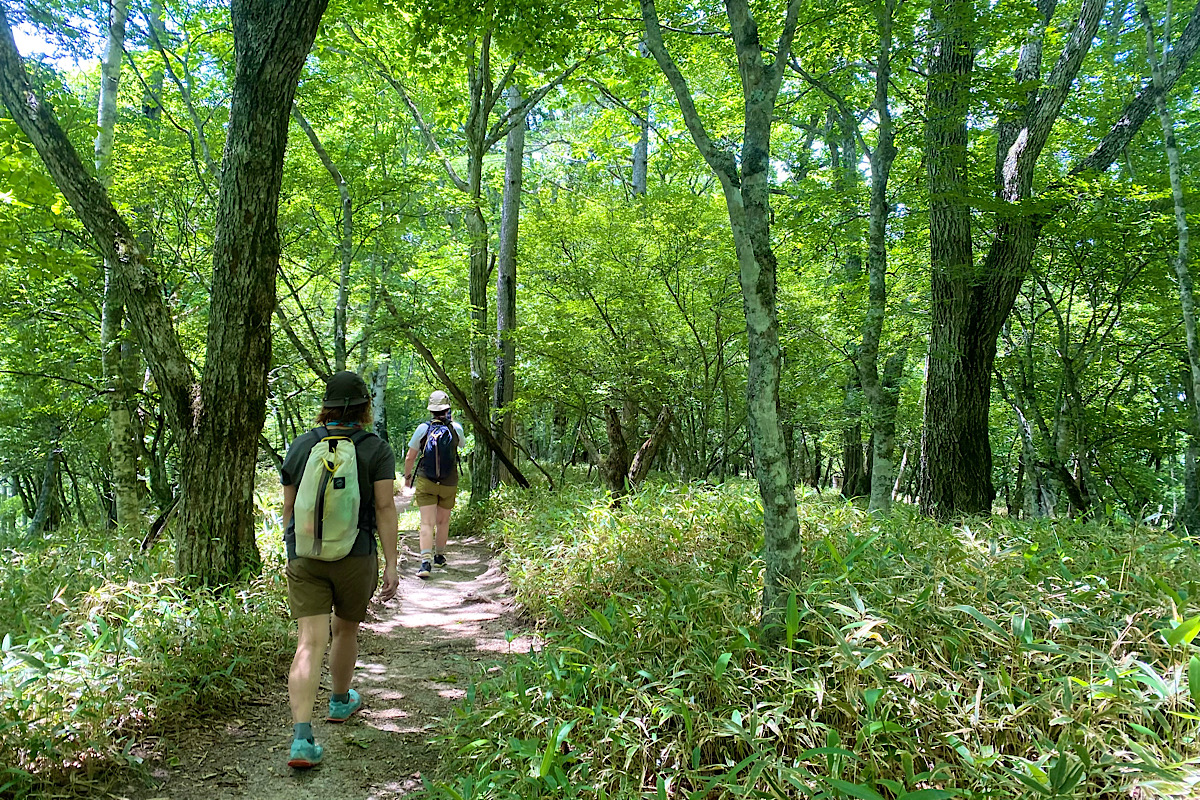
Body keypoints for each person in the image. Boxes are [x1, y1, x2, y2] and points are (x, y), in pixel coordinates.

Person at [278, 371, 399, 769]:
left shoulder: (300, 446)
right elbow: (384, 508)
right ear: (365, 407)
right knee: (345, 628)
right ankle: (340, 700)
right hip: (355, 554)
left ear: (326, 406)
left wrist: (292, 549)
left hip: (306, 557)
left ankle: (301, 739)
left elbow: (288, 507)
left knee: (308, 641)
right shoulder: (375, 449)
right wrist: (392, 563)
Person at [403, 389, 464, 578]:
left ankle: (425, 563)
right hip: (449, 481)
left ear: (431, 409)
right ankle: (439, 556)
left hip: (426, 480)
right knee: (443, 521)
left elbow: (410, 456)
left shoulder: (423, 428)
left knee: (427, 523)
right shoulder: (456, 428)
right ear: (447, 408)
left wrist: (407, 478)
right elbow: (461, 446)